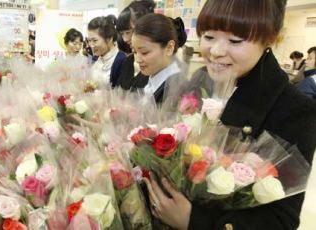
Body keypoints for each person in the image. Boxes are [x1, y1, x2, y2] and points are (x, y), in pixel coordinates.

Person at [144, 0, 316, 230]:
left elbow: (281, 220)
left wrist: (193, 221)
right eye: (208, 36)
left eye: (235, 40)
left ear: (270, 39)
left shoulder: (295, 110)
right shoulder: (199, 80)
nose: (215, 51)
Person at [116, 1, 187, 91]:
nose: (125, 39)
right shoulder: (130, 62)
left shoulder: (175, 86)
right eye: (135, 51)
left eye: (128, 32)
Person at [130, 13, 187, 104]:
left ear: (169, 48)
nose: (138, 59)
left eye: (145, 52)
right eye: (135, 52)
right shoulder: (144, 75)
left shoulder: (179, 91)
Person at [87, 15, 126, 88]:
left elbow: (121, 93)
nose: (91, 45)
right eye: (89, 41)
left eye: (95, 41)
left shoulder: (121, 61)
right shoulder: (96, 57)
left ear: (109, 39)